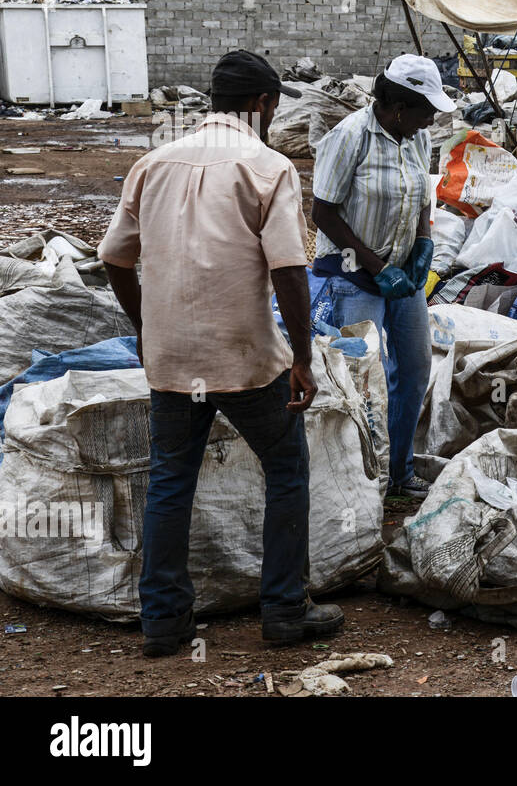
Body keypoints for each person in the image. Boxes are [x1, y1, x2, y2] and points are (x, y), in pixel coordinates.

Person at [99, 50, 343, 656]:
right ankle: (285, 610)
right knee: (285, 469)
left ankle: (163, 622)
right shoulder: (268, 167)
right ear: (263, 104)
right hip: (244, 356)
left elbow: (113, 257)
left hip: (173, 357)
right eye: (273, 104)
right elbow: (289, 270)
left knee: (169, 483)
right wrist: (303, 359)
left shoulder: (151, 163)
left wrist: (145, 324)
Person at [311, 53, 453, 499]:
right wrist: (376, 265)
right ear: (397, 106)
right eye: (425, 109)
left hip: (400, 275)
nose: (430, 118)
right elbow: (323, 212)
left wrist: (423, 242)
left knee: (413, 369)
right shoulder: (350, 136)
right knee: (362, 382)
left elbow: (422, 196)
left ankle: (399, 472)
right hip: (353, 276)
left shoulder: (417, 139)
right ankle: (363, 484)